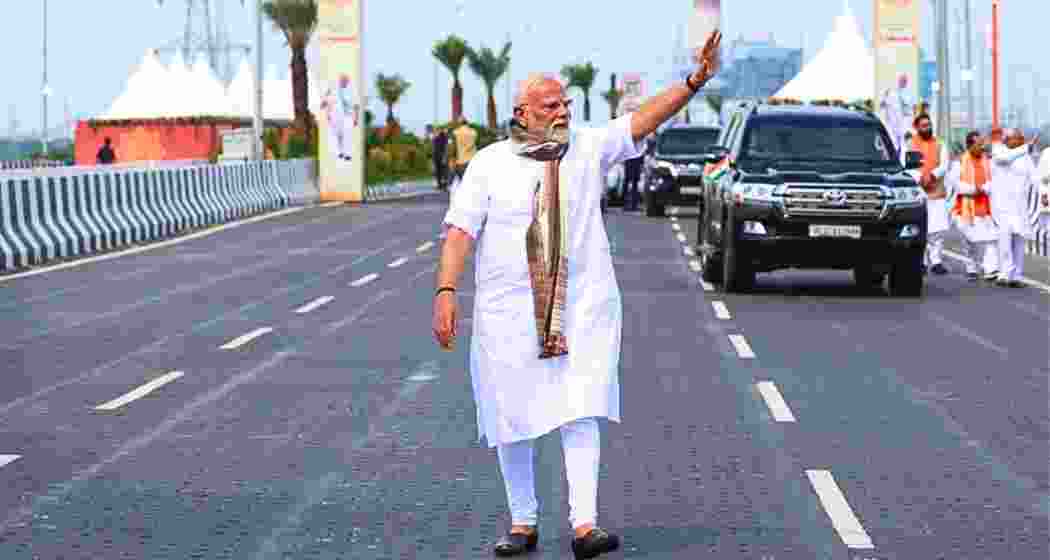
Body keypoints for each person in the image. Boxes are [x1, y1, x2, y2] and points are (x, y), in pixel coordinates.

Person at [432, 30, 722, 559]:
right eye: (550, 105)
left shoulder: (587, 148)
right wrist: (446, 290)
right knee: (509, 414)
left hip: (582, 307)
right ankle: (522, 523)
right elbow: (459, 232)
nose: (562, 110)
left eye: (565, 102)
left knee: (581, 406)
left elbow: (644, 119)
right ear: (522, 112)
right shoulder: (490, 164)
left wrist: (694, 81)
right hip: (509, 312)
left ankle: (584, 525)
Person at [988, 128, 1040, 287]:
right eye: (1017, 138)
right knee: (1004, 240)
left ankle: (1016, 276)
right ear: (1007, 139)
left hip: (1020, 206)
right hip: (1002, 206)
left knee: (1019, 241)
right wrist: (1026, 148)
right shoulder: (998, 150)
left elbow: (1035, 177)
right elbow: (1006, 159)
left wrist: (1043, 192)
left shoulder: (1026, 158)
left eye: (1021, 138)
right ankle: (1004, 273)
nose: (1020, 141)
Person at [946, 131, 999, 281]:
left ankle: (990, 269)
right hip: (965, 209)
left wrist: (987, 187)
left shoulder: (988, 161)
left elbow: (995, 180)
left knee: (991, 239)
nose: (982, 147)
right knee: (970, 241)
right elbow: (956, 185)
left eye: (982, 144)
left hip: (985, 208)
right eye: (978, 144)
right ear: (969, 145)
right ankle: (972, 267)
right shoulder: (959, 163)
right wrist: (975, 189)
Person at [909, 114, 951, 275]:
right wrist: (920, 178)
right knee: (921, 229)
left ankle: (937, 261)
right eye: (924, 125)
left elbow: (944, 164)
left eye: (929, 124)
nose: (928, 128)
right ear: (917, 127)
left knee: (938, 229)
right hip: (918, 192)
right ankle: (922, 262)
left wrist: (932, 176)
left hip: (936, 191)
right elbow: (907, 165)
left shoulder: (940, 143)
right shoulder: (910, 144)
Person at [320, 73, 359, 162]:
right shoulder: (333, 90)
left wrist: (356, 118)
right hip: (335, 116)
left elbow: (356, 106)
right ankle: (339, 153)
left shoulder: (352, 92)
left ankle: (347, 154)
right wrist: (326, 112)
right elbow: (326, 101)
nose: (343, 82)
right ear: (339, 81)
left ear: (348, 82)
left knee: (347, 135)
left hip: (348, 116)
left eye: (345, 80)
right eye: (342, 80)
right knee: (335, 135)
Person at [448, 117, 478, 191]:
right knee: (472, 183)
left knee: (463, 183)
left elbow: (453, 147)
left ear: (459, 123)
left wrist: (451, 159)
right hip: (473, 160)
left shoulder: (456, 132)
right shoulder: (474, 132)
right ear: (466, 123)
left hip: (461, 161)